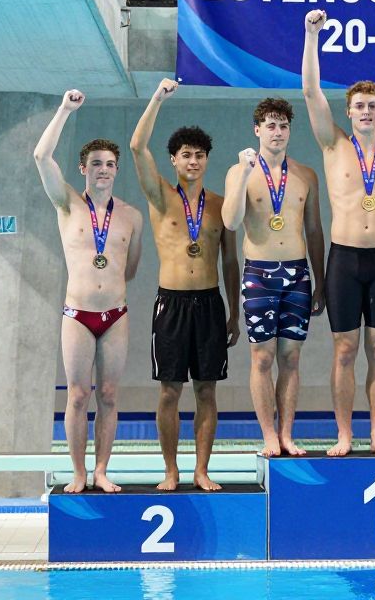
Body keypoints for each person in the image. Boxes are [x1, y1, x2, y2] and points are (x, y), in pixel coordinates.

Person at [302, 9, 375, 457]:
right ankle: (345, 435)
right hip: (344, 261)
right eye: (358, 106)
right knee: (345, 350)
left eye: (373, 105)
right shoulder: (333, 146)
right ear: (348, 112)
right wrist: (311, 36)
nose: (366, 111)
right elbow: (311, 91)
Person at [130, 78, 240, 490]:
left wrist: (233, 312)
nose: (193, 161)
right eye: (186, 155)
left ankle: (201, 469)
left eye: (200, 155)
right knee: (169, 392)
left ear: (207, 160)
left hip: (210, 304)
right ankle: (172, 470)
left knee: (207, 391)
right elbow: (138, 147)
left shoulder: (219, 204)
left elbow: (231, 259)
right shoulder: (160, 197)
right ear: (174, 160)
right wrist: (156, 97)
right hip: (171, 305)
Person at [34, 90, 143, 494]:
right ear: (82, 168)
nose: (104, 169)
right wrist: (65, 110)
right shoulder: (66, 204)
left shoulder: (131, 216)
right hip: (77, 314)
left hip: (116, 314)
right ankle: (78, 472)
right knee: (78, 395)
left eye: (110, 164)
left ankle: (101, 470)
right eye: (96, 163)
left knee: (110, 395)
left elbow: (130, 267)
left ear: (116, 170)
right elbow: (41, 158)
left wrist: (109, 286)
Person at [222, 98, 326, 457]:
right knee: (262, 359)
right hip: (260, 275)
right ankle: (268, 435)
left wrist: (321, 281)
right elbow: (231, 222)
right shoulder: (240, 172)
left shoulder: (306, 175)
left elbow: (314, 231)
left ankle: (286, 434)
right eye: (270, 126)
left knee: (292, 359)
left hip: (298, 274)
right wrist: (243, 171)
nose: (277, 132)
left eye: (283, 126)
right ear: (257, 130)